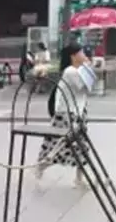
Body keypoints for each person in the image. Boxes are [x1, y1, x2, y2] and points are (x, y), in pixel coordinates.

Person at [35, 42, 91, 188]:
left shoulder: (78, 70)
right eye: (81, 52)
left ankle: (78, 179)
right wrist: (88, 67)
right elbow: (85, 86)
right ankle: (41, 166)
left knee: (81, 148)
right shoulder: (70, 71)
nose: (84, 55)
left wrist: (87, 67)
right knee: (59, 147)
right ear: (73, 56)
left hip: (77, 113)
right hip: (67, 114)